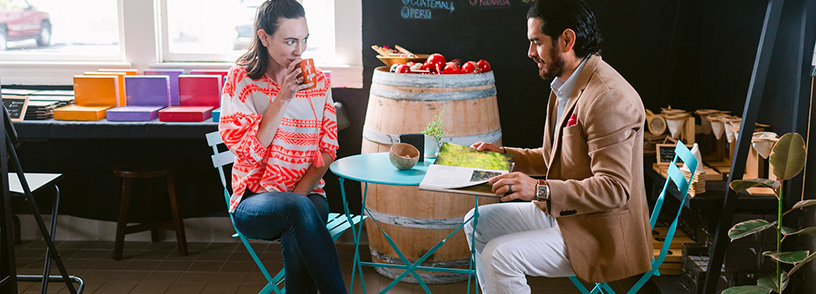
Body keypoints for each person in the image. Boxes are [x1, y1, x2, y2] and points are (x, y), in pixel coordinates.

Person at [464, 0, 650, 293]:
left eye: (536, 42)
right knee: (476, 221)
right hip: (566, 213)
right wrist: (504, 156)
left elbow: (615, 188)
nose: (530, 53)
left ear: (566, 40)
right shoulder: (565, 84)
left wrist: (538, 189)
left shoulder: (608, 98)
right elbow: (553, 158)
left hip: (599, 232)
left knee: (499, 256)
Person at [218, 0, 346, 293]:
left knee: (296, 222)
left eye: (304, 40)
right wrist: (283, 98)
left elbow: (328, 149)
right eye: (290, 41)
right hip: (252, 201)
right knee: (297, 215)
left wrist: (298, 195)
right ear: (264, 38)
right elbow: (248, 152)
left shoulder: (318, 82)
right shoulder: (241, 80)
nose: (299, 51)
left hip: (309, 196)